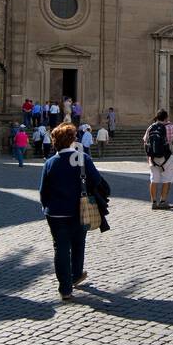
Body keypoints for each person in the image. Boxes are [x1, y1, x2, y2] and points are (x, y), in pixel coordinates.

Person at [39, 122, 110, 300]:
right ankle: (76, 274)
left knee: (60, 248)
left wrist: (45, 206)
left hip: (55, 213)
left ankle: (65, 289)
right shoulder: (82, 158)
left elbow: (43, 191)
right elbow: (98, 181)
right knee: (79, 243)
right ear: (72, 140)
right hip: (80, 210)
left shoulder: (50, 163)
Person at [144, 108, 173, 210]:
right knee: (167, 180)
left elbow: (145, 142)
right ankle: (163, 201)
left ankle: (154, 202)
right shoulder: (170, 127)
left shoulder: (151, 127)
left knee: (153, 179)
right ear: (166, 117)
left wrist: (148, 156)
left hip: (153, 157)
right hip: (166, 158)